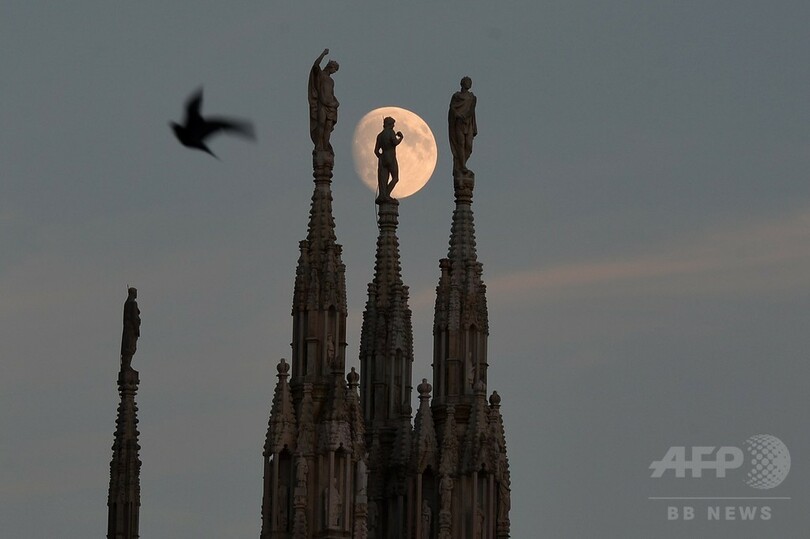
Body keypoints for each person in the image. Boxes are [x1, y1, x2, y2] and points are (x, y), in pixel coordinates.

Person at [308, 48, 340, 152]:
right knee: (321, 124)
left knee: (328, 127)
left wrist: (336, 102)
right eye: (334, 69)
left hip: (331, 106)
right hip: (322, 105)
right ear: (330, 67)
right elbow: (315, 65)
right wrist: (323, 54)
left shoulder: (331, 81)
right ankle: (319, 145)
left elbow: (331, 93)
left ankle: (325, 146)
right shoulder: (321, 75)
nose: (334, 72)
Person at [448, 76, 477, 175]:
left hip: (468, 123)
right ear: (463, 83)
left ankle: (461, 163)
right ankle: (462, 166)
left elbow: (471, 110)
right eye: (467, 82)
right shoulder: (456, 96)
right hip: (458, 122)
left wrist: (465, 116)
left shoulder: (472, 97)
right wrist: (458, 115)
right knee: (460, 143)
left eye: (470, 82)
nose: (469, 84)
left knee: (468, 146)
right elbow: (452, 108)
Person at [374, 116, 404, 202]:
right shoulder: (391, 132)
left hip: (383, 157)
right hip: (390, 157)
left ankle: (382, 195)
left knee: (383, 179)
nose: (393, 126)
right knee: (395, 178)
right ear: (389, 124)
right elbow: (395, 142)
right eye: (393, 124)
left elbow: (376, 151)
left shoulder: (379, 135)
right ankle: (386, 194)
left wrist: (381, 157)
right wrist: (401, 137)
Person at [121, 287, 140, 369]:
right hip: (131, 329)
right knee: (130, 346)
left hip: (127, 329)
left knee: (127, 346)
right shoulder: (133, 303)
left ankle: (126, 364)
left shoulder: (126, 303)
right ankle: (127, 365)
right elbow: (134, 318)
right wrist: (137, 329)